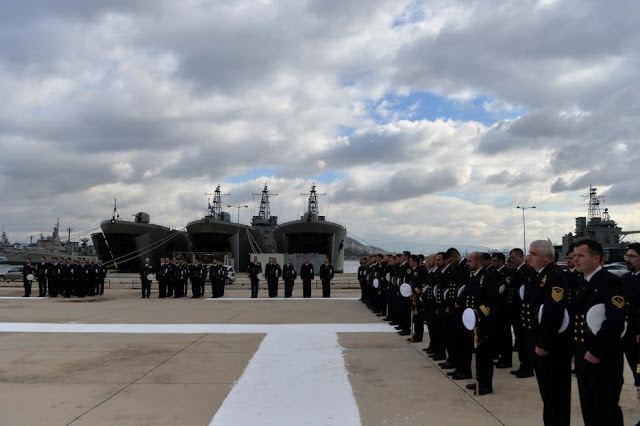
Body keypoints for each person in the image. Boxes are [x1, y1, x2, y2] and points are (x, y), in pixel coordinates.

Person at [572, 239, 626, 426]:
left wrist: (596, 352)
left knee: (606, 412)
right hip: (583, 357)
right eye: (574, 255)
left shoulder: (610, 282)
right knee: (590, 411)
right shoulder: (583, 282)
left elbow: (615, 323)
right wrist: (576, 351)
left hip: (603, 360)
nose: (575, 259)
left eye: (581, 255)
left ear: (596, 259)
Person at [521, 240, 571, 425]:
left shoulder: (554, 276)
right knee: (547, 394)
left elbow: (553, 313)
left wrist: (543, 343)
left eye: (533, 254)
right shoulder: (536, 276)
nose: (529, 257)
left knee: (556, 393)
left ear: (546, 257)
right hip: (536, 341)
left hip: (551, 347)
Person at [461, 251, 499, 395]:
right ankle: (479, 380)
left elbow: (492, 301)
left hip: (484, 321)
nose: (467, 264)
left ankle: (486, 385)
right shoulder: (473, 277)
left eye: (470, 261)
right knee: (479, 353)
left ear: (478, 262)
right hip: (474, 321)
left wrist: (479, 313)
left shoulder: (488, 277)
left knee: (485, 355)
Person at [508, 248, 536, 378]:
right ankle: (523, 364)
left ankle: (528, 367)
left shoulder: (527, 271)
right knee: (519, 340)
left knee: (524, 340)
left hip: (522, 311)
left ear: (520, 257)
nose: (511, 260)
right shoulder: (516, 272)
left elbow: (526, 293)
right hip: (515, 310)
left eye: (513, 257)